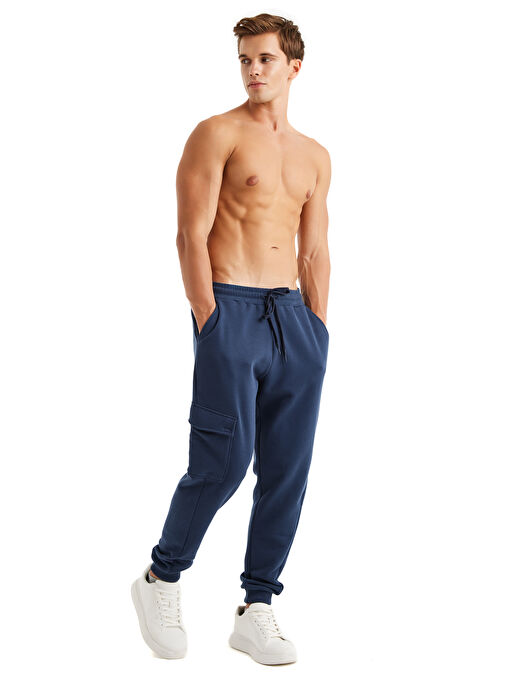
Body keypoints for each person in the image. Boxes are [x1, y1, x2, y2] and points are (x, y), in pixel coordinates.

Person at [131, 13, 331, 665]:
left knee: (287, 469)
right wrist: (208, 318)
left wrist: (318, 328)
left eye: (265, 59)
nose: (253, 70)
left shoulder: (314, 155)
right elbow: (189, 233)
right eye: (245, 59)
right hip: (231, 309)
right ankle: (161, 576)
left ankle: (257, 604)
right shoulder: (216, 133)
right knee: (223, 459)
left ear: (293, 66)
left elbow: (315, 248)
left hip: (292, 318)